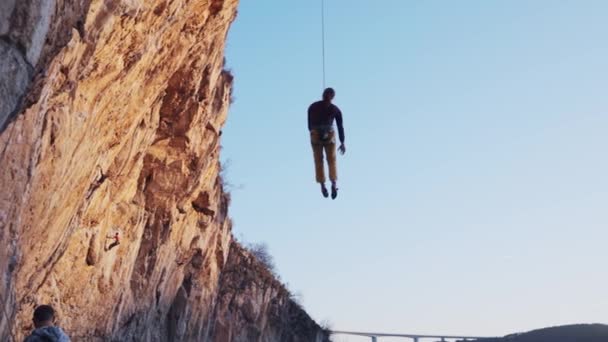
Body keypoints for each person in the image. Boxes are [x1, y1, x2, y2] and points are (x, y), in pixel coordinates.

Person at [308, 87, 346, 199]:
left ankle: (322, 185)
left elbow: (309, 126)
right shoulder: (335, 109)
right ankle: (333, 183)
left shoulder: (312, 106)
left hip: (315, 134)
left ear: (322, 95)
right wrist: (342, 142)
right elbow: (340, 126)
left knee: (318, 160)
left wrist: (316, 132)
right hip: (329, 135)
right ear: (333, 97)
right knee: (332, 160)